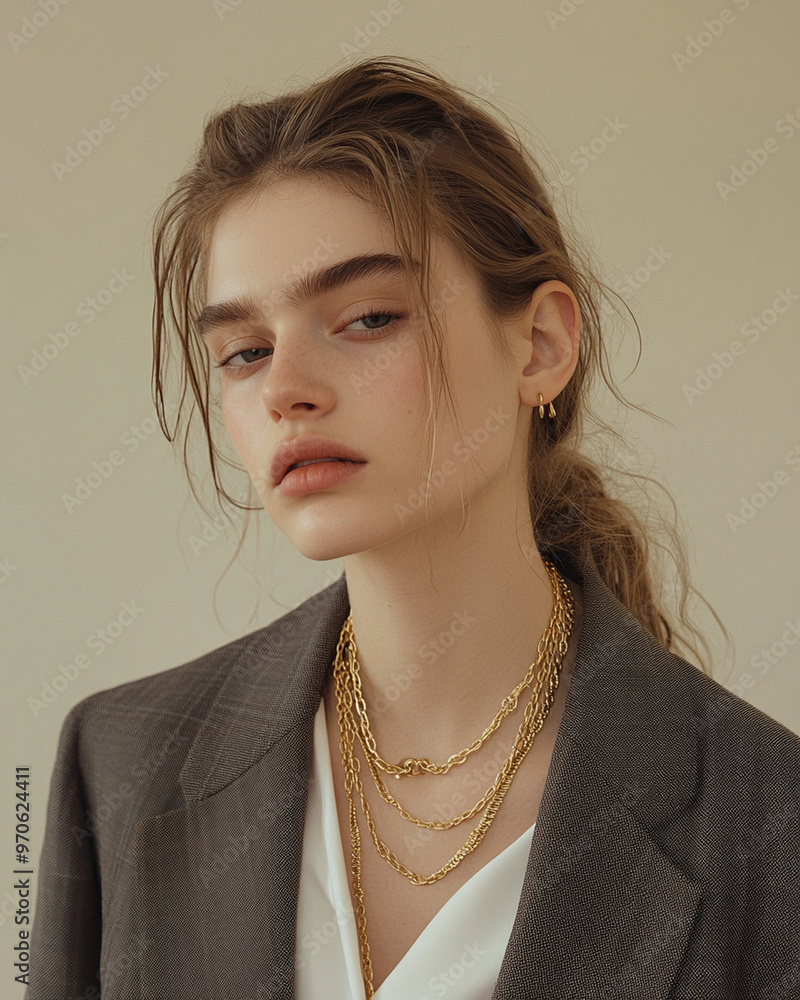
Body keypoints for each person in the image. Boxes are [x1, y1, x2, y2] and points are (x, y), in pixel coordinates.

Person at [28, 56, 800, 1000]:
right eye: (245, 351)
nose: (284, 390)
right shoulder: (118, 766)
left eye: (366, 318)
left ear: (541, 344)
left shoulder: (768, 822)